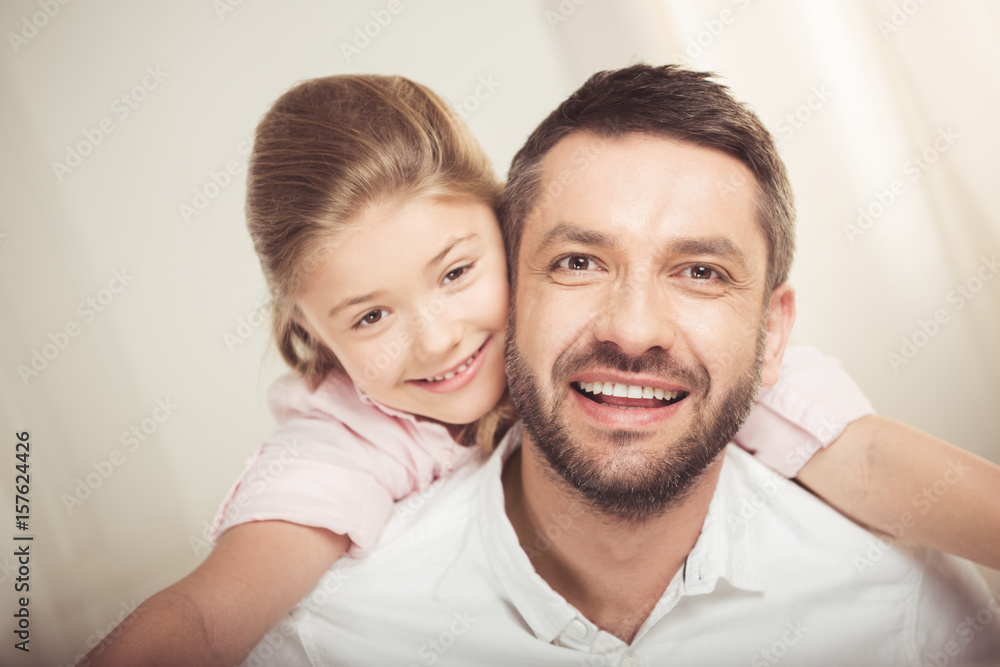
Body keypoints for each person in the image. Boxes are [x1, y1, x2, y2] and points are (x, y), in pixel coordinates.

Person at [83, 70, 1000, 666]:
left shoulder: (894, 597)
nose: (440, 340)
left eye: (455, 274)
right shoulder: (341, 476)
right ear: (315, 339)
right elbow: (204, 618)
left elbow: (877, 463)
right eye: (579, 261)